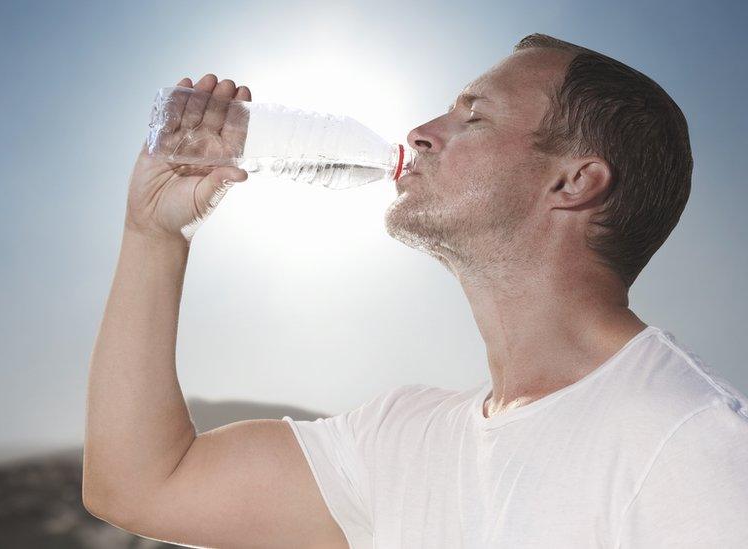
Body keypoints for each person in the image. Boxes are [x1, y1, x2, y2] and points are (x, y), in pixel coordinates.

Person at [81, 33, 748, 547]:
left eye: (474, 116)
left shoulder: (692, 446)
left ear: (575, 181)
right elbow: (142, 484)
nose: (421, 133)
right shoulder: (403, 437)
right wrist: (152, 235)